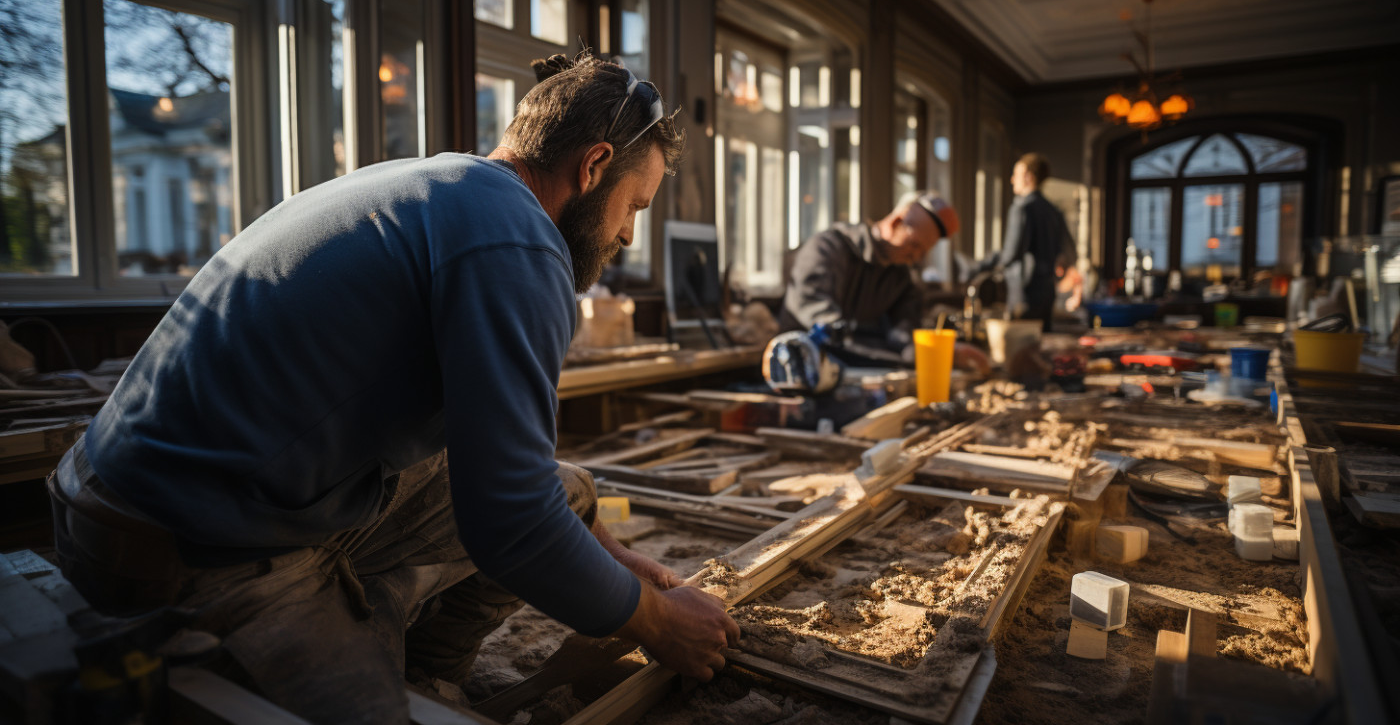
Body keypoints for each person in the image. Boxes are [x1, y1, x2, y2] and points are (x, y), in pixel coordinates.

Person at [46, 52, 739, 724]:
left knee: (572, 496)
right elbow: (513, 524)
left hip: (136, 492)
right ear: (593, 167)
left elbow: (511, 481)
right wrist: (658, 622)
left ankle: (429, 678)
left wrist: (617, 567)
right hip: (177, 542)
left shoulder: (443, 187)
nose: (626, 234)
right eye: (634, 206)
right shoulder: (520, 244)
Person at [780, 193, 961, 364]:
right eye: (915, 245)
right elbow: (822, 323)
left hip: (853, 366)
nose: (917, 258)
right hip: (798, 361)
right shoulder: (827, 248)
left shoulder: (900, 275)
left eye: (924, 252)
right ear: (895, 223)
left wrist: (939, 352)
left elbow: (904, 332)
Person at [970, 153, 1079, 332]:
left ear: (1028, 176)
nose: (1012, 179)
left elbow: (1011, 253)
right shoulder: (1053, 211)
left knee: (1022, 343)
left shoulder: (1022, 208)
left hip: (1024, 291)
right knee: (1042, 341)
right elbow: (1068, 253)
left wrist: (981, 267)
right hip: (1048, 291)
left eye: (1016, 174)